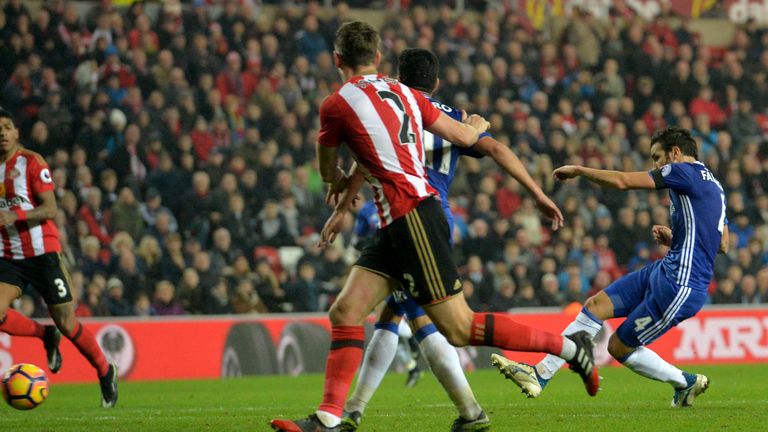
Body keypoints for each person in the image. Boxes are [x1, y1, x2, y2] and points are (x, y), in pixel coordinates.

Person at [270, 22, 597, 432]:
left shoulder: (336, 104)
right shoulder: (403, 93)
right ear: (379, 57)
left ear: (336, 59)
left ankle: (569, 347)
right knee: (348, 310)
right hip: (401, 221)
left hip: (413, 217)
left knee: (458, 328)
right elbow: (463, 135)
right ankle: (331, 417)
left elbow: (326, 169)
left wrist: (336, 185)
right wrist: (477, 128)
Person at [339, 48, 566, 432]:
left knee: (430, 320)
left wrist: (343, 204)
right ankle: (354, 412)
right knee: (395, 313)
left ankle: (469, 410)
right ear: (437, 82)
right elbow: (494, 148)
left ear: (397, 75)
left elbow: (370, 158)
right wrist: (537, 193)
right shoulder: (454, 116)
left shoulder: (390, 106)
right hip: (437, 218)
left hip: (408, 216)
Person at [493, 126, 728, 408]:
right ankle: (539, 374)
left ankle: (685, 382)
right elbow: (723, 243)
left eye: (657, 158)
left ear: (675, 153)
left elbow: (621, 181)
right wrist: (676, 238)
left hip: (681, 285)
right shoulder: (714, 185)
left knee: (619, 347)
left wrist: (579, 170)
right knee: (595, 305)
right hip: (664, 269)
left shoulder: (683, 171)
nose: (655, 165)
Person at [0, 109, 118, 407]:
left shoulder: (32, 161)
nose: (2, 132)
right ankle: (44, 334)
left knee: (67, 322)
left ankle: (105, 371)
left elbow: (51, 209)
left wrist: (16, 215)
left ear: (16, 133)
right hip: (9, 255)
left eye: (7, 127)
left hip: (43, 253)